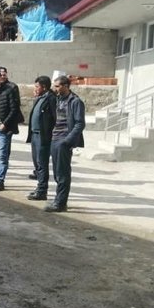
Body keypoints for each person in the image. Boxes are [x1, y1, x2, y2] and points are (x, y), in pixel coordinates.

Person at [46, 75, 86, 212]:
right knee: (57, 172)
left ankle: (60, 203)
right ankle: (59, 199)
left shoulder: (75, 101)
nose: (55, 89)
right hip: (55, 139)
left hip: (63, 140)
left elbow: (80, 123)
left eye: (57, 86)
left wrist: (67, 141)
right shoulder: (58, 99)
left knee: (63, 173)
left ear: (66, 86)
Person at [25, 76, 56, 200]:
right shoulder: (40, 97)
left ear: (44, 87)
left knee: (42, 164)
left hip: (43, 136)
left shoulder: (51, 98)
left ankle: (42, 191)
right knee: (37, 163)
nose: (35, 88)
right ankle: (39, 187)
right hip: (35, 134)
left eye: (37, 86)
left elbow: (55, 118)